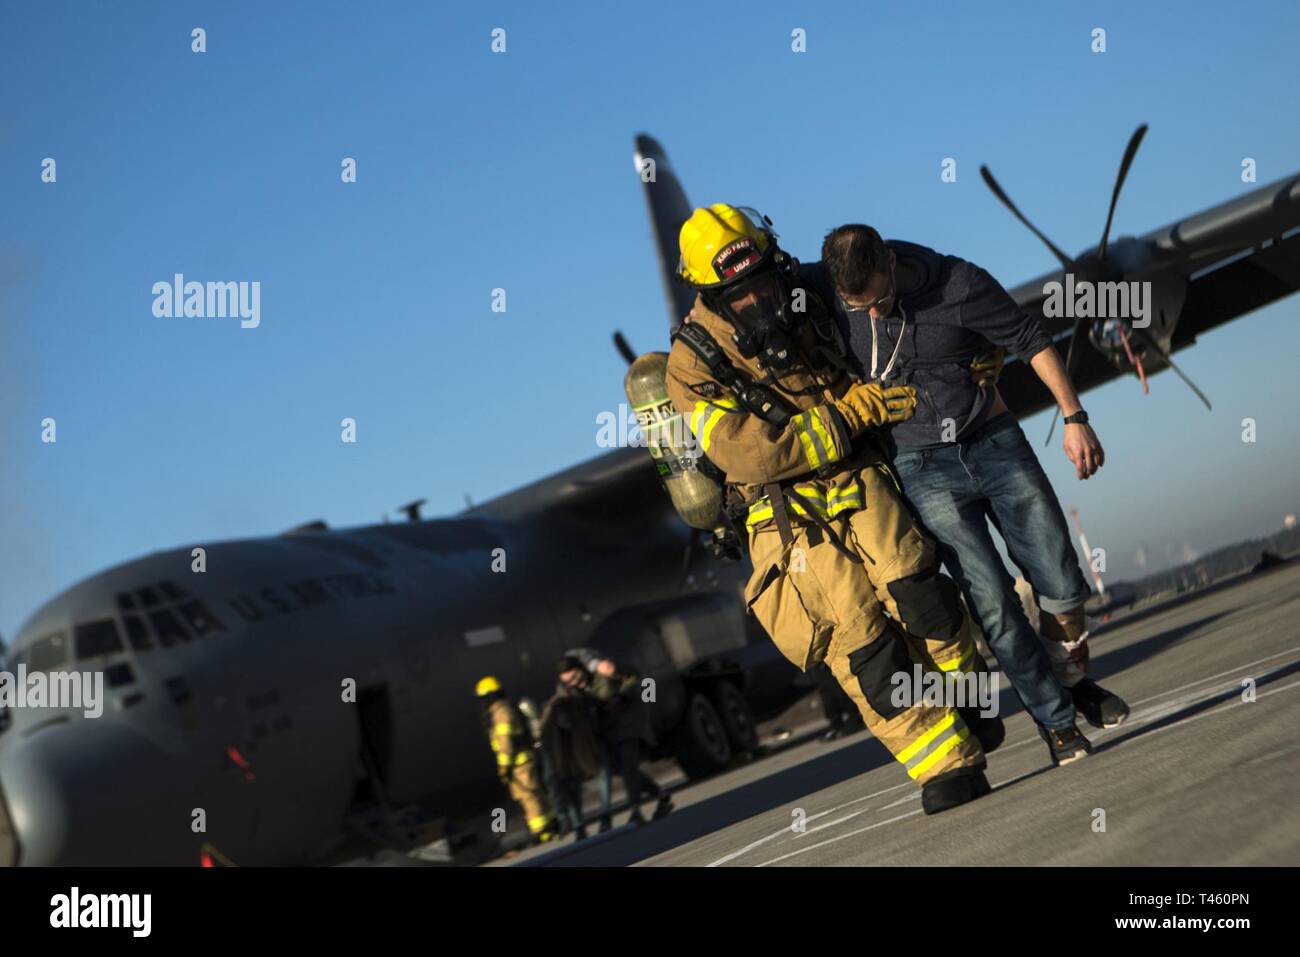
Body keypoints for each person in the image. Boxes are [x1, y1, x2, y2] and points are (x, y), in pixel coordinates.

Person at [665, 204, 1004, 813]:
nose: (761, 298)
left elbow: (890, 306)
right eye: (742, 294)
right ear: (710, 295)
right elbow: (750, 456)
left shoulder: (806, 296)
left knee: (921, 591)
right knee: (863, 642)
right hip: (786, 518)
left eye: (767, 279)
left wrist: (965, 349)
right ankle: (943, 764)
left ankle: (973, 701)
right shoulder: (689, 368)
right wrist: (850, 416)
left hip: (858, 476)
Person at [816, 224, 1131, 764]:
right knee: (995, 607)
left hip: (994, 443)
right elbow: (758, 287)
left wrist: (1075, 417)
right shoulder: (827, 294)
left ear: (892, 262)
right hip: (921, 469)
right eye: (856, 305)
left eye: (879, 299)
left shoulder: (960, 285)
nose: (871, 314)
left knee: (1059, 580)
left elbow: (1031, 341)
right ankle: (1058, 724)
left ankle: (1073, 683)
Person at [557, 654, 673, 826]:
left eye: (575, 677)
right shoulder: (575, 691)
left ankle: (635, 810)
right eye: (569, 681)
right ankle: (660, 794)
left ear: (582, 669)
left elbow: (635, 676)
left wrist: (622, 696)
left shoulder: (604, 672)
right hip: (610, 729)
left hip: (629, 720)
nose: (574, 682)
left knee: (628, 764)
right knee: (618, 767)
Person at [474, 675, 556, 843]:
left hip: (518, 763)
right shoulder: (502, 709)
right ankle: (550, 824)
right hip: (520, 761)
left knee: (529, 797)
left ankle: (541, 830)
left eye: (483, 699)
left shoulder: (501, 713)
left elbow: (505, 743)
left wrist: (504, 767)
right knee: (535, 794)